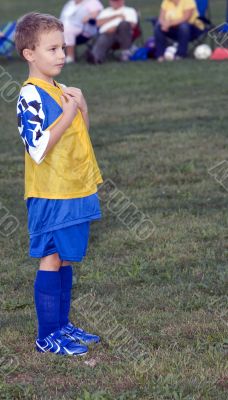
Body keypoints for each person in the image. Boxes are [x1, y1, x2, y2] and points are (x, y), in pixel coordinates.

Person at [15, 12, 103, 356]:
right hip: (50, 192)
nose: (62, 55)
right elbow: (36, 148)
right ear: (29, 54)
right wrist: (67, 114)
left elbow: (81, 135)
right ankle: (46, 335)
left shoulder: (61, 89)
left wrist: (81, 108)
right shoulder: (30, 95)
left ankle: (62, 325)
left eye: (62, 47)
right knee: (51, 258)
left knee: (65, 258)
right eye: (52, 49)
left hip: (75, 188)